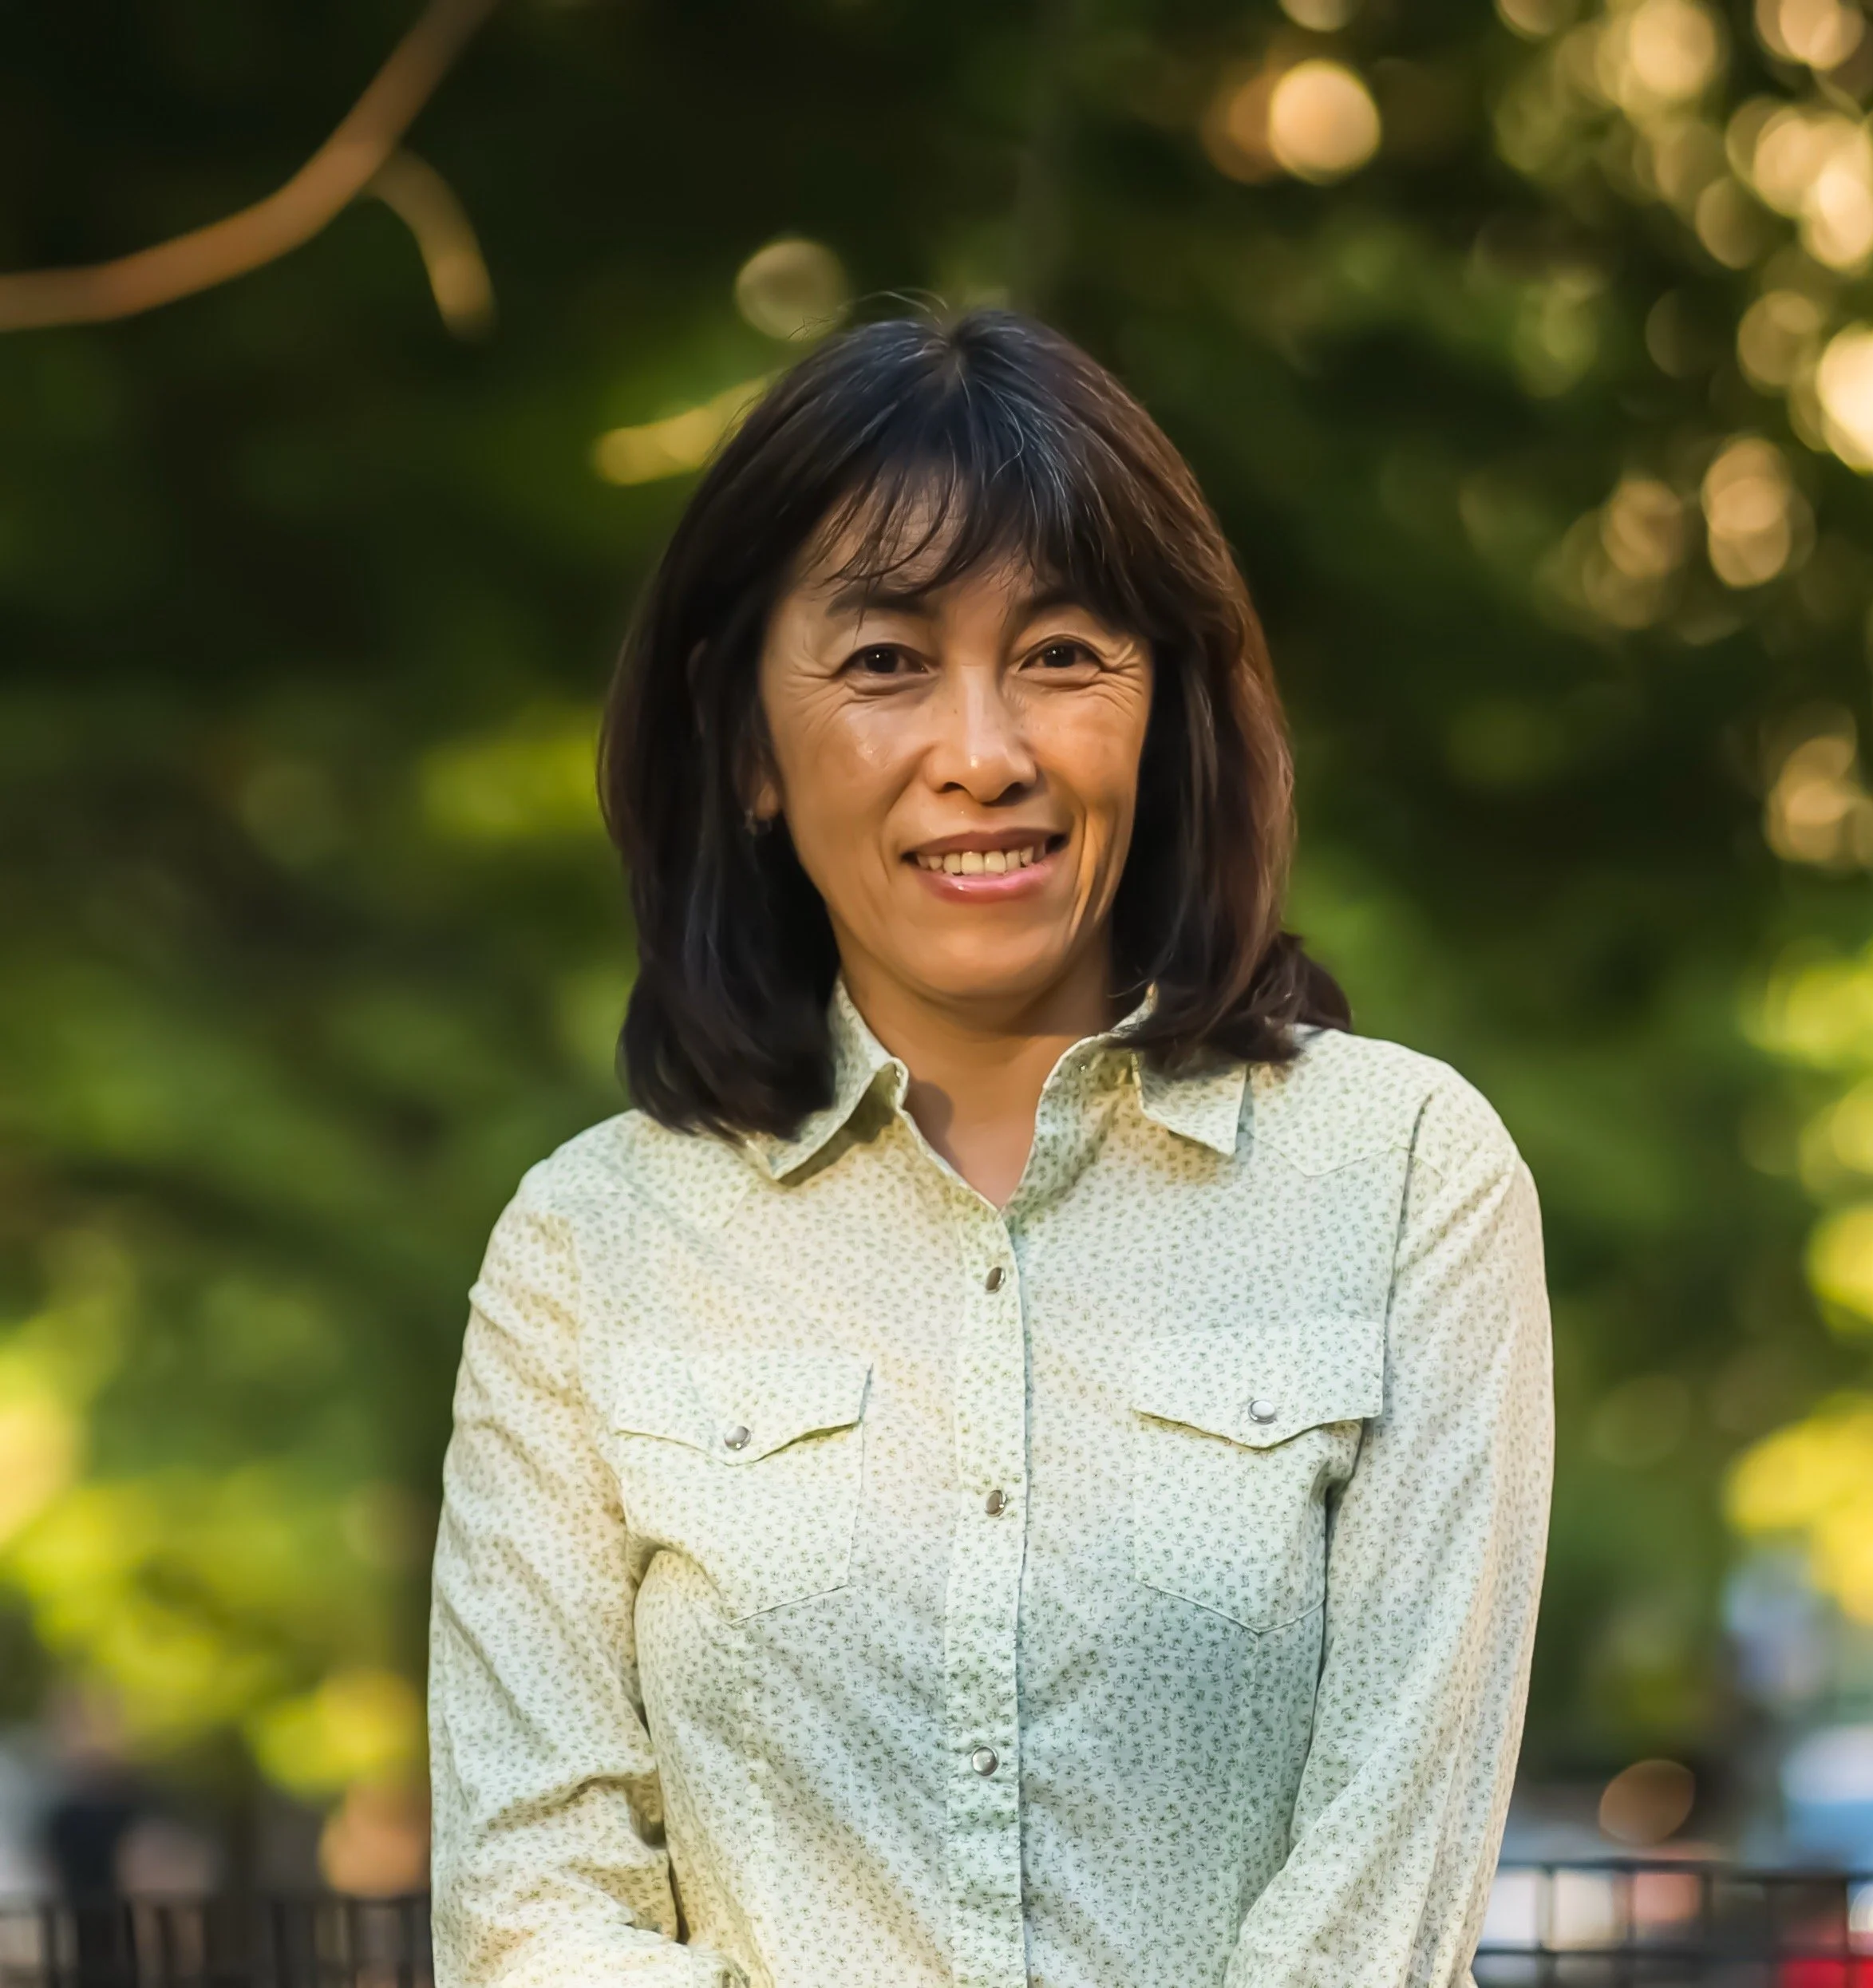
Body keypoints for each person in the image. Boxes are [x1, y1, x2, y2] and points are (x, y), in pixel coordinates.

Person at [427, 308, 1554, 1988]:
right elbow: (531, 1910)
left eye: (1060, 655)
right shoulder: (590, 1244)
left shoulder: (1399, 1176)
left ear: (1161, 711)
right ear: (743, 740)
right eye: (883, 662)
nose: (981, 754)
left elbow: (1383, 1894)